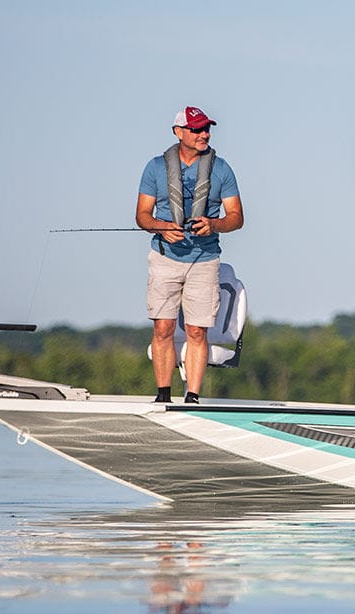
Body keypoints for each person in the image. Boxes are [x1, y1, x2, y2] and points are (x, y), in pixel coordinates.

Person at [136, 106, 244, 404]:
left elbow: (236, 217)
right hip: (164, 257)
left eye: (206, 128)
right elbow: (143, 216)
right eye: (197, 129)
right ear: (178, 132)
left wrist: (214, 224)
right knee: (163, 327)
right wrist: (161, 227)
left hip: (205, 258)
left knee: (197, 331)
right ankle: (162, 396)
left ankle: (192, 397)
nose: (204, 134)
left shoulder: (222, 168)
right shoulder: (154, 168)